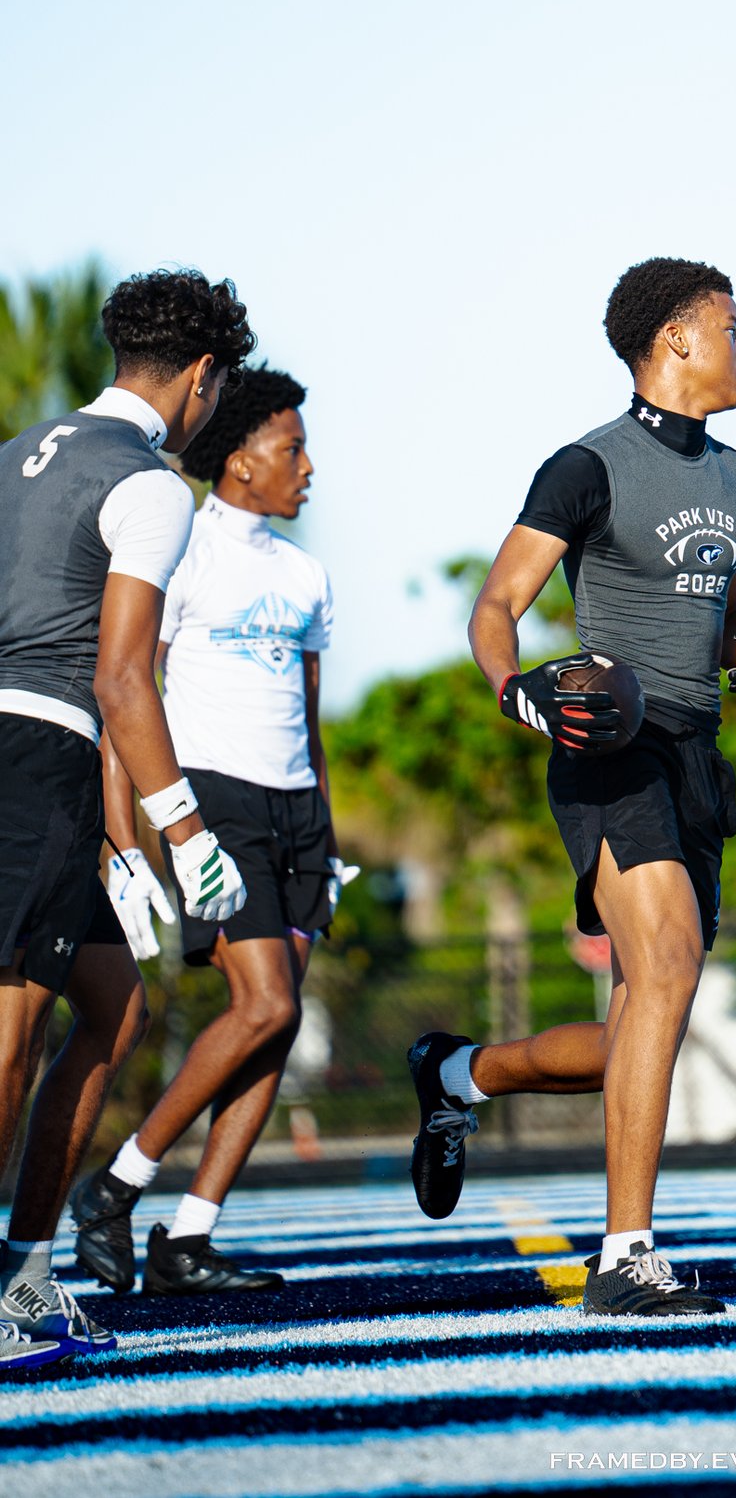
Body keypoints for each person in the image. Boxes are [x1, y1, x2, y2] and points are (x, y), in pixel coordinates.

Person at [408, 258, 736, 1316]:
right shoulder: (585, 465)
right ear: (676, 338)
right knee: (666, 969)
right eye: (732, 327)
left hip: (696, 756)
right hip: (610, 745)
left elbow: (725, 621)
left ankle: (458, 1074)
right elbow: (496, 605)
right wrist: (516, 690)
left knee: (644, 1016)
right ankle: (624, 1260)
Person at [0, 270, 253, 1368]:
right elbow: (120, 679)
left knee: (114, 1006)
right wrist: (185, 831)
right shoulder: (149, 483)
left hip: (35, 762)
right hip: (33, 754)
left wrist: (115, 833)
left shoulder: (16, 451)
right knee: (11, 1033)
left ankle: (25, 1273)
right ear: (202, 377)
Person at [71, 367, 354, 1295]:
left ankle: (188, 1237)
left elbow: (309, 718)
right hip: (214, 804)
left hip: (298, 812)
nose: (307, 467)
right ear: (239, 461)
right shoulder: (182, 550)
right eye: (292, 448)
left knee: (276, 1025)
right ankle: (116, 1185)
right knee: (265, 1004)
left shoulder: (307, 574)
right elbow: (128, 697)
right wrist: (126, 836)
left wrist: (326, 837)